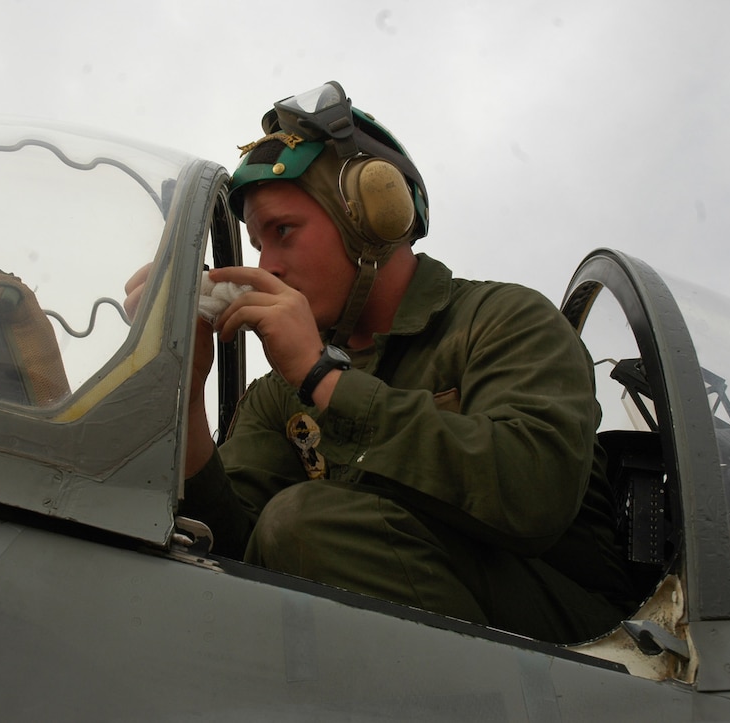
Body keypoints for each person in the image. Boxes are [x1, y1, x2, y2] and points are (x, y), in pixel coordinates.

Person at [126, 81, 634, 644]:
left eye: (284, 232)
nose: (268, 264)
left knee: (307, 522)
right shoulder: (279, 390)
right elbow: (227, 552)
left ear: (372, 218)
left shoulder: (504, 320)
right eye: (257, 243)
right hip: (397, 650)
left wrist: (324, 380)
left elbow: (534, 494)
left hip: (578, 650)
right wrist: (185, 396)